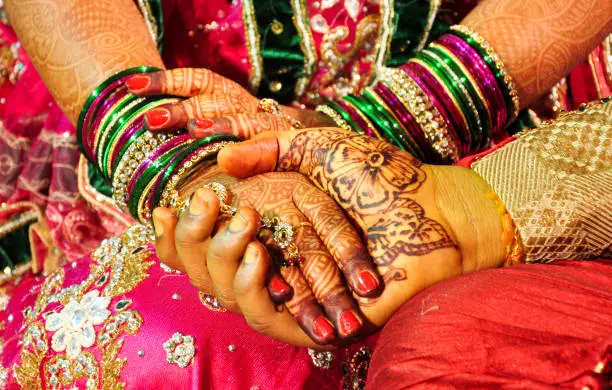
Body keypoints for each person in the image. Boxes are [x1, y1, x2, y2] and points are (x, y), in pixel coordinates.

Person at [0, 0, 609, 388]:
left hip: (508, 89)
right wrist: (176, 161)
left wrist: (383, 132)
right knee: (130, 339)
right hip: (124, 90)